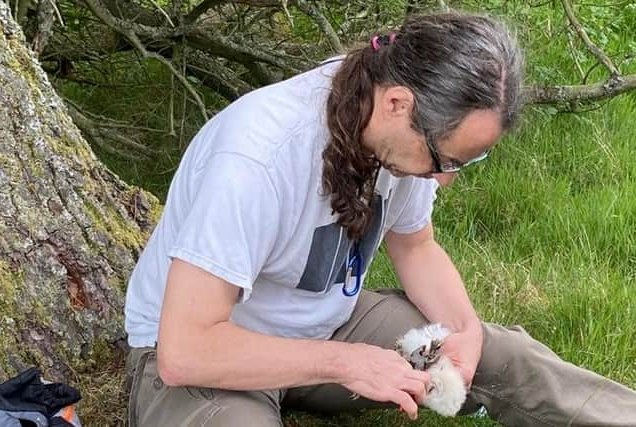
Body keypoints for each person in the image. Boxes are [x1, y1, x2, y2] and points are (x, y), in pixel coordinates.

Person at [123, 11, 636, 427]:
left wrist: (465, 331)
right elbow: (185, 350)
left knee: (503, 354)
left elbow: (416, 247)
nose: (445, 180)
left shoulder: (390, 120)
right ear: (397, 103)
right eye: (444, 159)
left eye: (465, 162)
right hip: (212, 354)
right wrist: (345, 363)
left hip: (327, 327)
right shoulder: (257, 158)